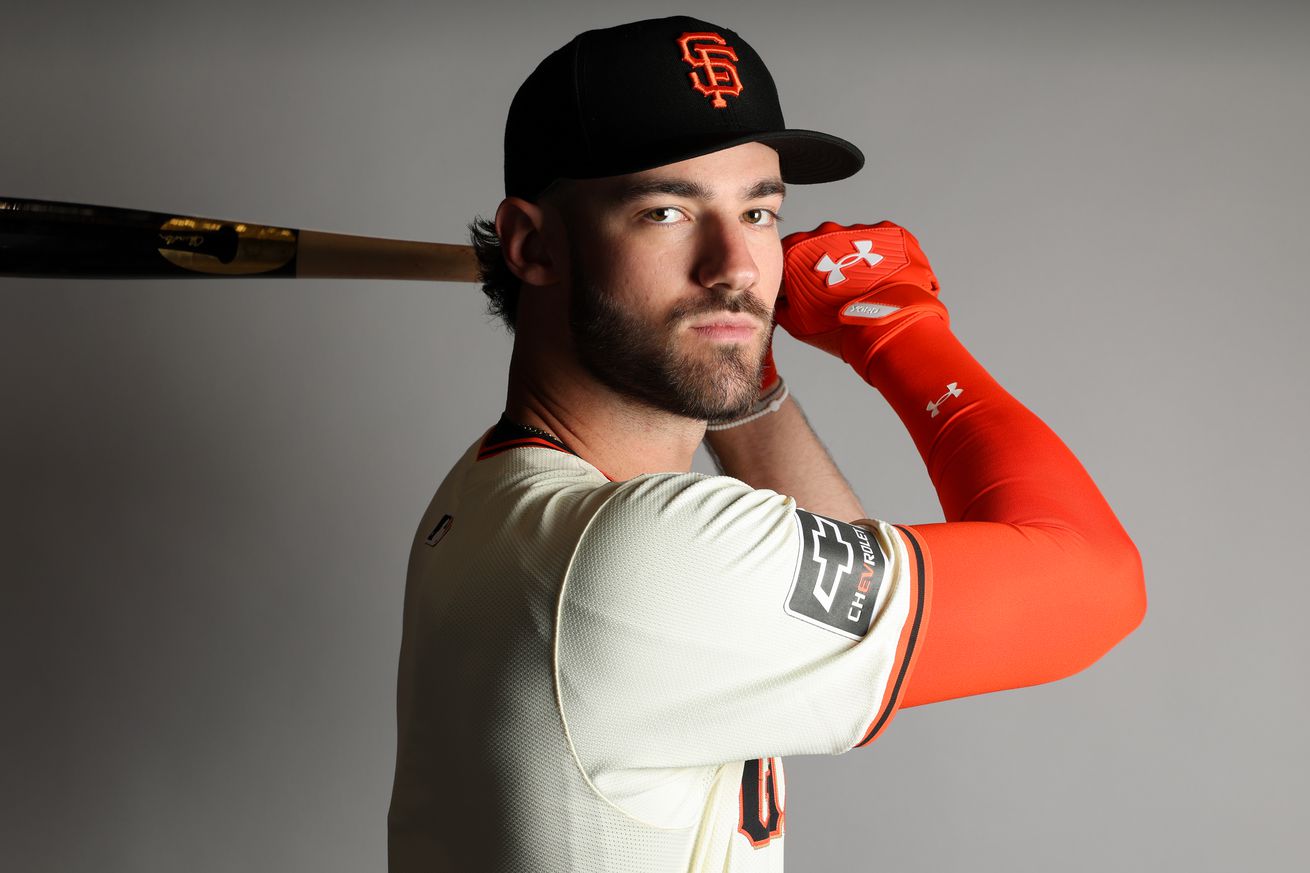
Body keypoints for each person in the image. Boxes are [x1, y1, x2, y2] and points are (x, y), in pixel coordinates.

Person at [387, 15, 1146, 873]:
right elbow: (1094, 583)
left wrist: (746, 374)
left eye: (757, 211)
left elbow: (832, 571)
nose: (737, 265)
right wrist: (895, 328)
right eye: (666, 210)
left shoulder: (494, 493)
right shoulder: (638, 557)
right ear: (532, 245)